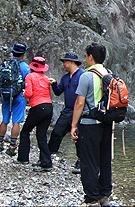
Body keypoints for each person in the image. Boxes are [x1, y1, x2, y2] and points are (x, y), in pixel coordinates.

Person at [71, 42, 112, 207]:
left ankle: (92, 197)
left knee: (88, 161)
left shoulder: (86, 76)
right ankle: (105, 195)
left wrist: (73, 125)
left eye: (87, 56)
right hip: (106, 123)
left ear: (91, 57)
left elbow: (79, 104)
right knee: (104, 159)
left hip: (89, 124)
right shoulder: (109, 74)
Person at [48, 52, 85, 174]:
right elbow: (58, 92)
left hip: (79, 111)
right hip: (67, 110)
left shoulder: (82, 75)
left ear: (71, 62)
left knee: (78, 138)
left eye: (65, 62)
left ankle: (81, 161)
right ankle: (47, 157)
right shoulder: (65, 77)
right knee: (56, 133)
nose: (63, 64)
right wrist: (53, 84)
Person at [16, 57, 55, 172]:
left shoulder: (30, 76)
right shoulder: (46, 78)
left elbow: (29, 93)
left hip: (38, 107)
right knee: (41, 135)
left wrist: (23, 94)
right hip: (49, 107)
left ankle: (23, 158)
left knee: (25, 131)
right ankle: (46, 162)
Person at [0, 43, 30, 156]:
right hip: (19, 96)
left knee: (5, 120)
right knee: (16, 122)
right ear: (23, 54)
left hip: (6, 95)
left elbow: (0, 80)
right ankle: (12, 146)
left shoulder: (4, 65)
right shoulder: (25, 67)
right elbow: (27, 83)